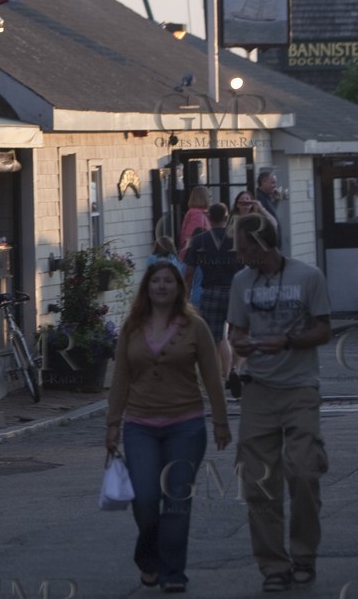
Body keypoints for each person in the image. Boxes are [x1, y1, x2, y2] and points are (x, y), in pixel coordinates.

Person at [105, 261, 230, 594]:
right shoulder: (132, 327)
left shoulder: (195, 326)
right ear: (147, 287)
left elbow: (212, 377)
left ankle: (174, 571)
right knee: (145, 499)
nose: (161, 286)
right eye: (156, 281)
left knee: (176, 501)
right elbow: (120, 379)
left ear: (179, 288)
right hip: (140, 426)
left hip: (185, 426)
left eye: (168, 281)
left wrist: (220, 420)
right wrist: (113, 423)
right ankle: (149, 558)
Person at [226, 210, 331, 592]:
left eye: (244, 249)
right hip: (258, 389)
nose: (240, 257)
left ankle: (304, 555)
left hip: (300, 387)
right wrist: (238, 342)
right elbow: (236, 330)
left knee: (303, 472)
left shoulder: (308, 276)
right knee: (259, 482)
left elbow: (323, 329)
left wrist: (287, 341)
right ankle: (273, 565)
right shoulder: (242, 281)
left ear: (263, 244)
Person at [184, 203, 244, 397]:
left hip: (210, 292)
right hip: (234, 290)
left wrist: (185, 296)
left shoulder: (199, 240)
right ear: (226, 217)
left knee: (214, 338)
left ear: (209, 217)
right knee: (237, 334)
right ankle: (233, 371)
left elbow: (190, 273)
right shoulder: (235, 239)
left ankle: (216, 379)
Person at [177, 185, 211, 262]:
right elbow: (194, 237)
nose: (210, 199)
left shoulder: (200, 214)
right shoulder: (196, 215)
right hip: (195, 258)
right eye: (208, 196)